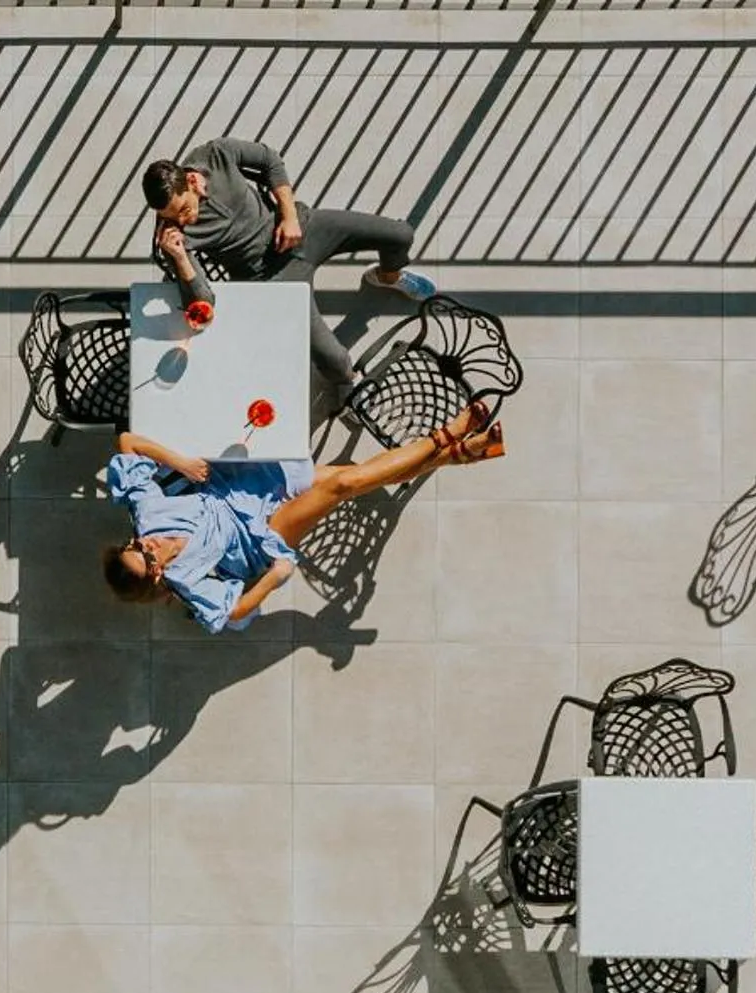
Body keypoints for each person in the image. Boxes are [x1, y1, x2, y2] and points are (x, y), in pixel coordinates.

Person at [102, 402, 503, 633]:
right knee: (344, 484)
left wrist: (182, 464)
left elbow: (129, 442)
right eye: (147, 556)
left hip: (244, 487)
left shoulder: (148, 513)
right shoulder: (185, 581)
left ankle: (460, 456)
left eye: (135, 545)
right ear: (157, 575)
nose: (146, 543)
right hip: (260, 534)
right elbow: (235, 613)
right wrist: (273, 580)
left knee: (357, 475)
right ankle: (445, 437)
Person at [143, 138, 438, 399]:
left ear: (193, 181)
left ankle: (388, 277)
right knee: (335, 362)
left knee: (401, 234)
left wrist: (289, 216)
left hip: (303, 230)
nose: (182, 221)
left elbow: (270, 160)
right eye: (171, 216)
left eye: (184, 209)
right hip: (272, 278)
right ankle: (350, 386)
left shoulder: (215, 154)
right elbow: (203, 304)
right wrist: (180, 257)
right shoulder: (172, 236)